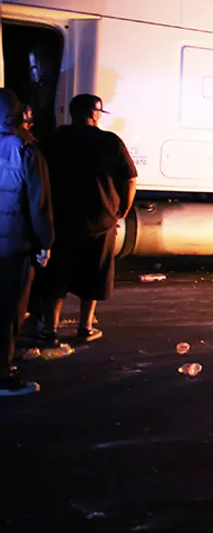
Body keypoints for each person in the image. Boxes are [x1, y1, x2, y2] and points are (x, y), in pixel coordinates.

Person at [33, 94, 136, 346]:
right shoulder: (109, 142)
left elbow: (36, 172)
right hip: (99, 221)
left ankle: (50, 329)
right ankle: (85, 326)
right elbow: (130, 178)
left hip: (60, 220)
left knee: (55, 276)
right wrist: (122, 209)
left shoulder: (54, 139)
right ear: (94, 114)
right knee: (94, 274)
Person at [0, 90, 53, 396]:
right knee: (8, 311)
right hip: (13, 247)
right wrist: (45, 242)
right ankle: (3, 375)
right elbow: (39, 203)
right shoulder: (25, 149)